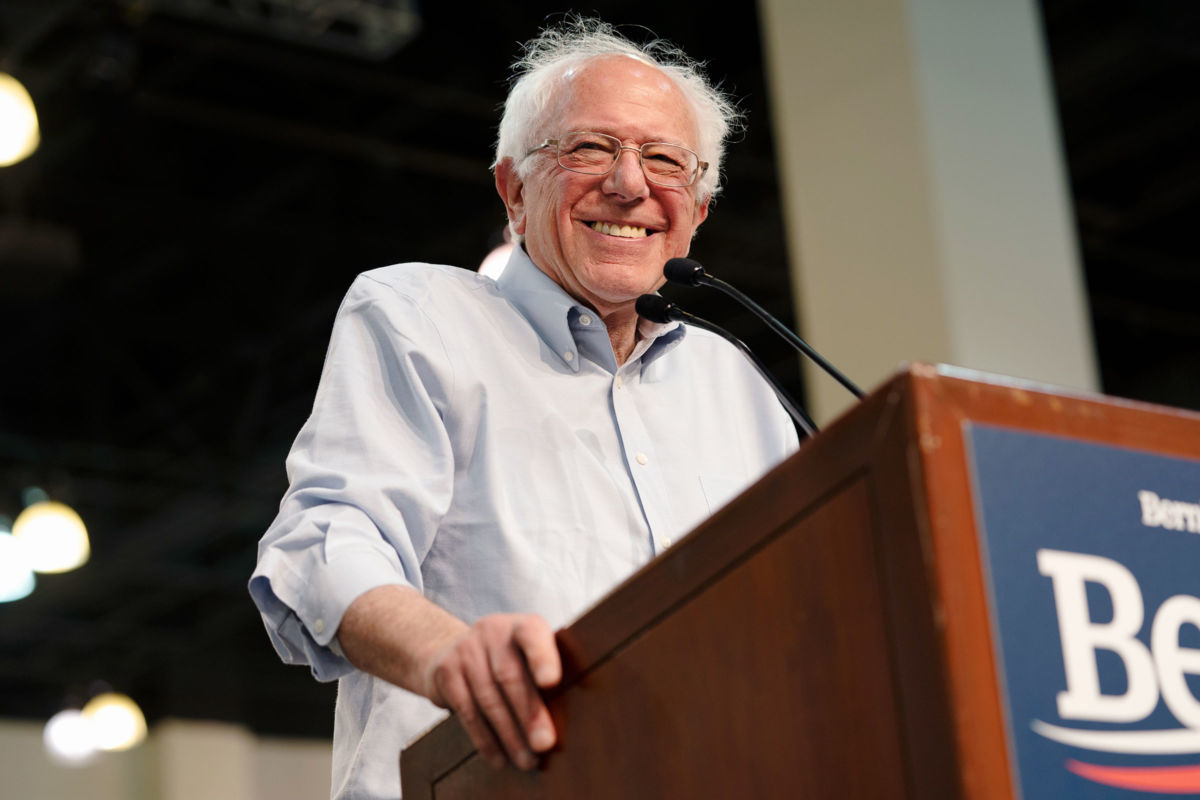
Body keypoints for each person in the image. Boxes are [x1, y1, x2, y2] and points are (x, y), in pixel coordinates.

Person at [250, 18, 799, 800]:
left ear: (699, 210)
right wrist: (453, 658)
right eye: (589, 149)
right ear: (513, 190)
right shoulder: (418, 314)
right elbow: (327, 540)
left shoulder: (737, 385)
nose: (630, 184)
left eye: (664, 160)